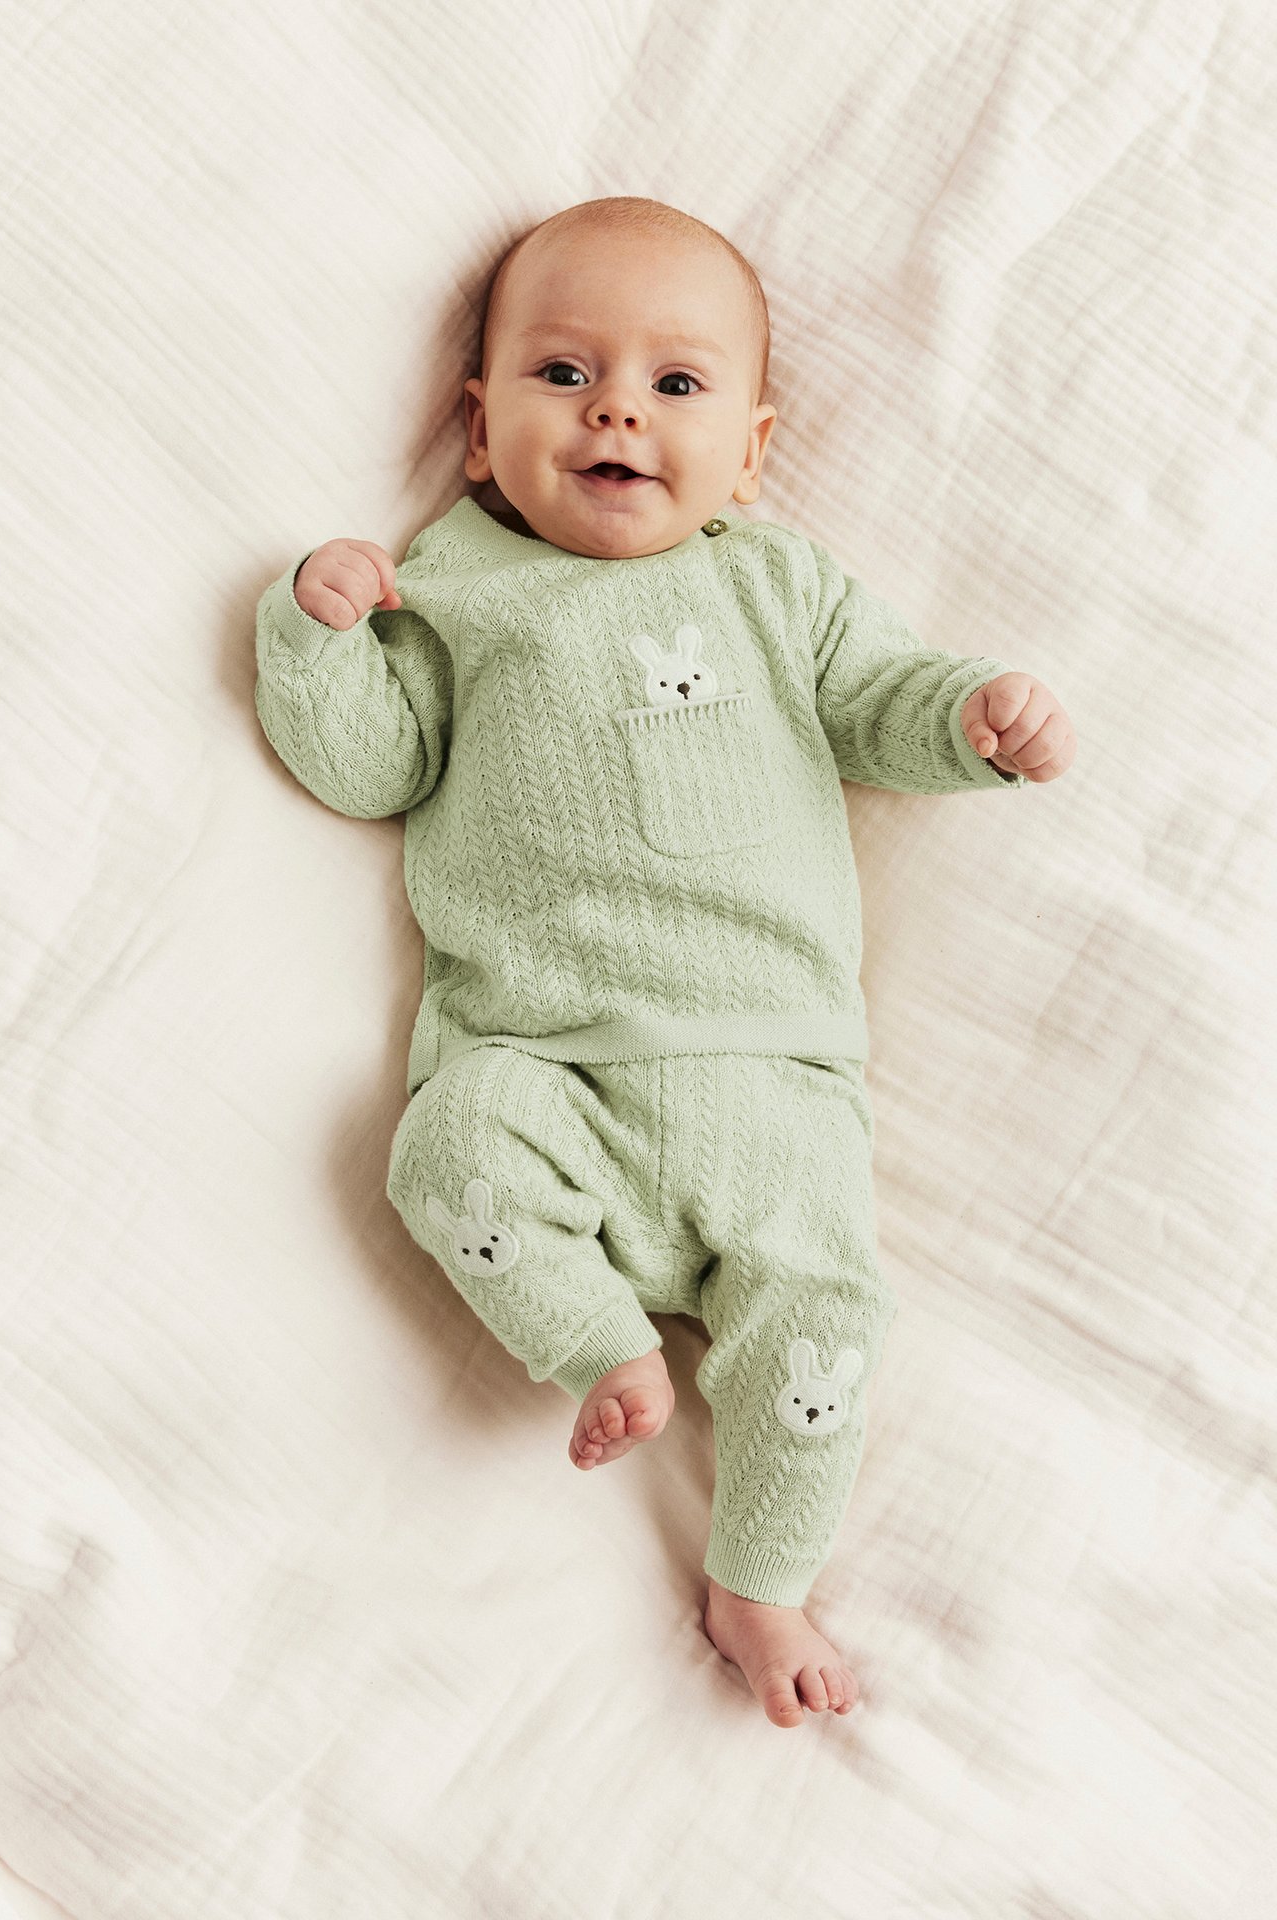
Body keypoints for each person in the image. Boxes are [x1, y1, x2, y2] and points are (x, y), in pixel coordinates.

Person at [253, 195, 1076, 1729]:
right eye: (563, 373)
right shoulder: (458, 589)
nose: (619, 406)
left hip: (769, 1078)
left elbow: (882, 698)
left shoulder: (777, 587)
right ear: (478, 428)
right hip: (544, 1068)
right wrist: (317, 636)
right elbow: (368, 766)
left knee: (823, 1316)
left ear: (752, 452)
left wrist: (974, 723)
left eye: (677, 386)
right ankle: (595, 1343)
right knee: (443, 1152)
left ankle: (759, 1578)